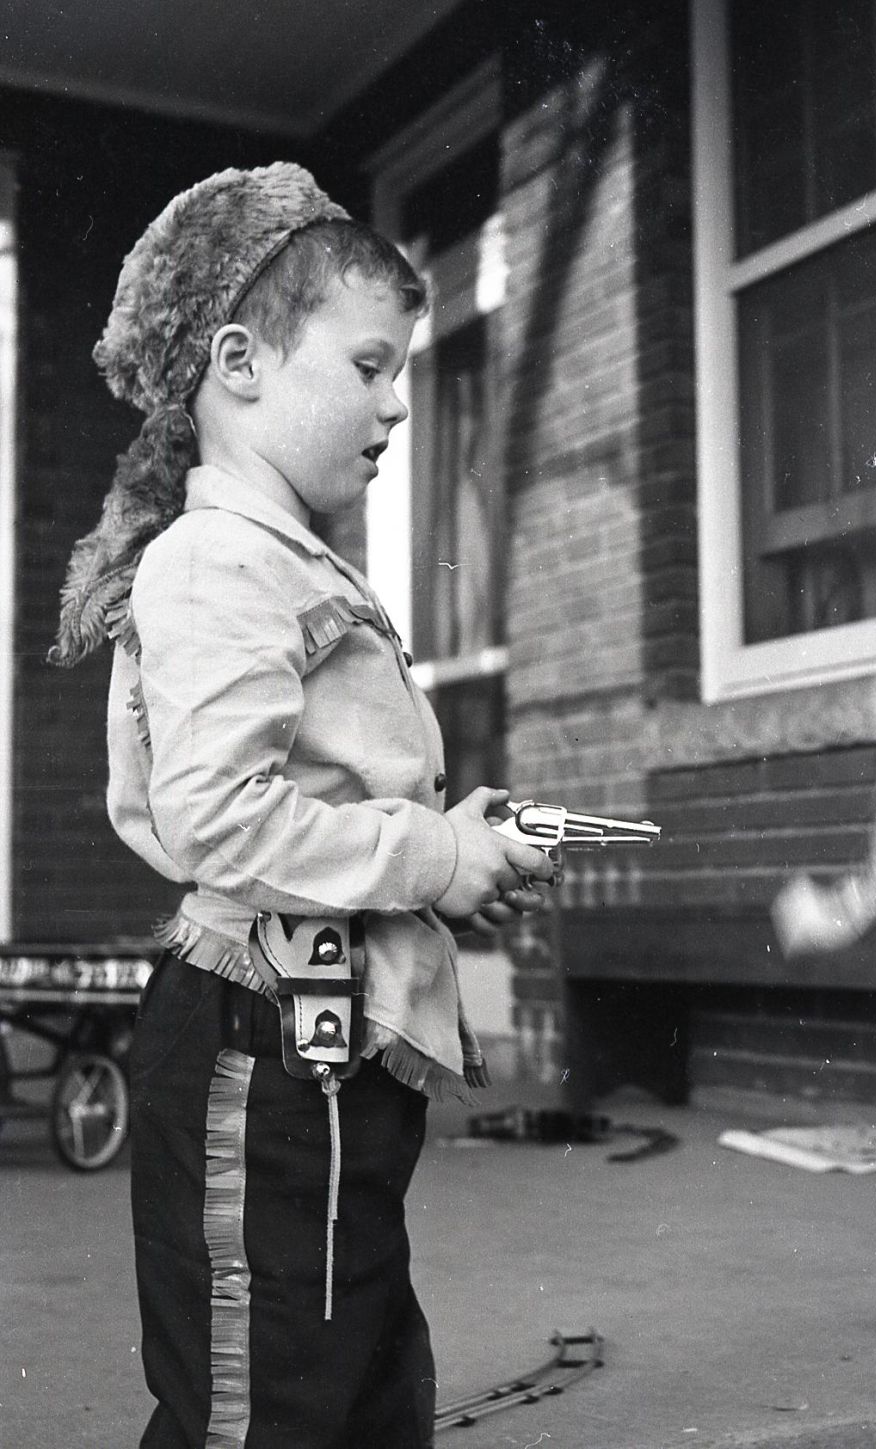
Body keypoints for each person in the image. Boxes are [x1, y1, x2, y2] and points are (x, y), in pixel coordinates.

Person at [48, 162, 556, 1448]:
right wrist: (435, 858)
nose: (398, 406)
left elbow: (320, 780)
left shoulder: (277, 555)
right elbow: (217, 817)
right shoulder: (216, 560)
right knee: (269, 1402)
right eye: (373, 366)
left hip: (313, 1044)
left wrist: (455, 831)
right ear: (241, 360)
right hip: (267, 1048)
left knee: (353, 1375)